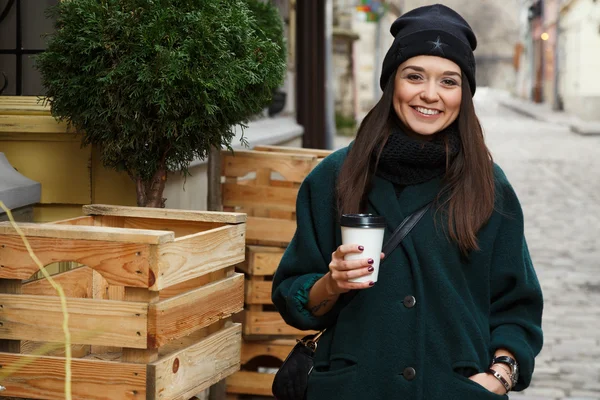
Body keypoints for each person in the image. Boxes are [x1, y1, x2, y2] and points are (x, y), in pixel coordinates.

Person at [271, 3, 544, 400]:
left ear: (464, 93)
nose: (430, 95)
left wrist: (499, 376)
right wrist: (331, 282)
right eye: (414, 76)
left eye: (448, 82)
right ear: (391, 82)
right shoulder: (335, 176)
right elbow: (293, 294)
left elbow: (517, 307)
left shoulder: (488, 187)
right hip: (351, 389)